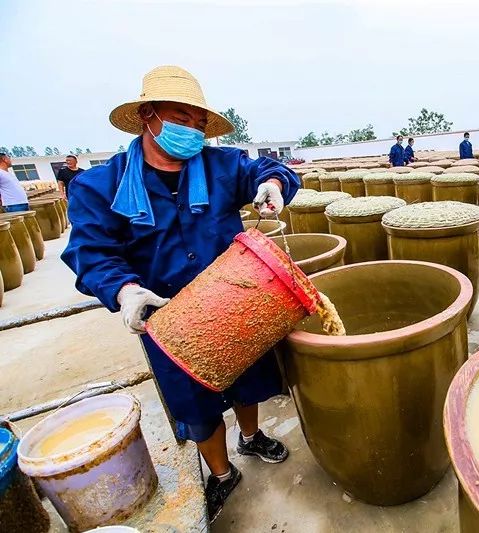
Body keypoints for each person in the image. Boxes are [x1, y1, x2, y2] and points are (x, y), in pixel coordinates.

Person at [61, 66, 300, 521]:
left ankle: (250, 437)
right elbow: (91, 251)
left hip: (235, 302)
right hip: (169, 319)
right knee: (197, 404)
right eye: (180, 117)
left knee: (246, 379)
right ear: (149, 116)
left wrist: (272, 185)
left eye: (197, 122)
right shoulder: (101, 185)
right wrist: (125, 290)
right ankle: (222, 472)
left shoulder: (221, 166)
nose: (190, 129)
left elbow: (268, 169)